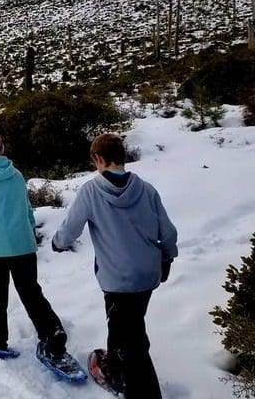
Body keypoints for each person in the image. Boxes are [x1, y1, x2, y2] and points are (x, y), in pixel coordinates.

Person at [52, 132, 178, 399]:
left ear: (98, 158)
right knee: (127, 327)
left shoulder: (91, 191)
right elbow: (167, 232)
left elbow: (69, 230)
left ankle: (135, 386)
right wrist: (167, 257)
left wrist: (57, 243)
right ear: (122, 157)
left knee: (133, 344)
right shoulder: (146, 189)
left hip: (119, 279)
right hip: (148, 274)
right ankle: (116, 367)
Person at [0, 130, 68, 363]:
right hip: (24, 245)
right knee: (31, 292)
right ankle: (52, 331)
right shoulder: (17, 175)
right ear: (2, 149)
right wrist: (30, 231)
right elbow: (27, 209)